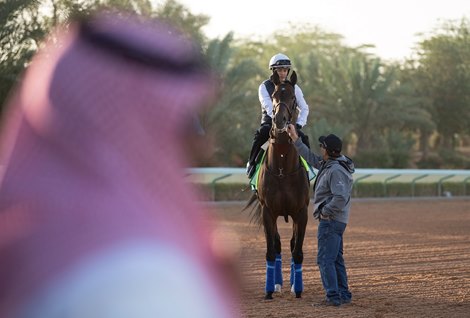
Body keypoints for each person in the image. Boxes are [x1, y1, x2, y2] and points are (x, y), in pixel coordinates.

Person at [0, 12, 238, 318]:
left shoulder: (30, 244)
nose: (203, 145)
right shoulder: (140, 281)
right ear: (130, 123)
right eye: (182, 123)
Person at [287, 124, 355, 307]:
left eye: (322, 146)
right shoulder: (332, 163)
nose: (320, 149)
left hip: (331, 222)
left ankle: (333, 297)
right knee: (336, 259)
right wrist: (295, 139)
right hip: (337, 222)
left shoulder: (335, 170)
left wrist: (325, 212)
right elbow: (310, 158)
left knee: (325, 260)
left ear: (328, 151)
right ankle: (344, 295)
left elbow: (340, 197)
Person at [246, 53, 310, 178]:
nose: (283, 73)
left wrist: (299, 124)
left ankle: (309, 169)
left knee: (304, 138)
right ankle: (252, 163)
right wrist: (279, 122)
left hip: (289, 124)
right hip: (271, 123)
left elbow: (304, 108)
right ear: (274, 71)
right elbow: (268, 106)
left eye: (285, 70)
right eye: (280, 70)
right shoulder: (264, 87)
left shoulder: (294, 87)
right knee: (261, 133)